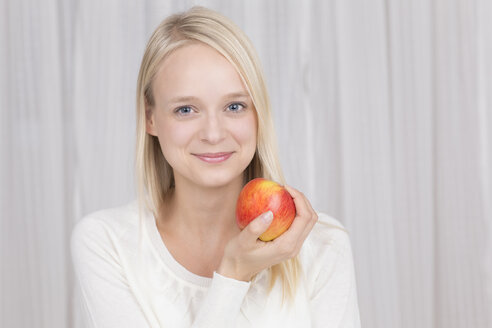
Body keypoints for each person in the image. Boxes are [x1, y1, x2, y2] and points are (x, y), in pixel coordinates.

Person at [70, 5, 361, 328]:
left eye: (234, 106)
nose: (213, 133)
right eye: (186, 110)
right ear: (150, 117)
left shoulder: (322, 246)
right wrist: (234, 273)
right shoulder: (107, 244)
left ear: (258, 114)